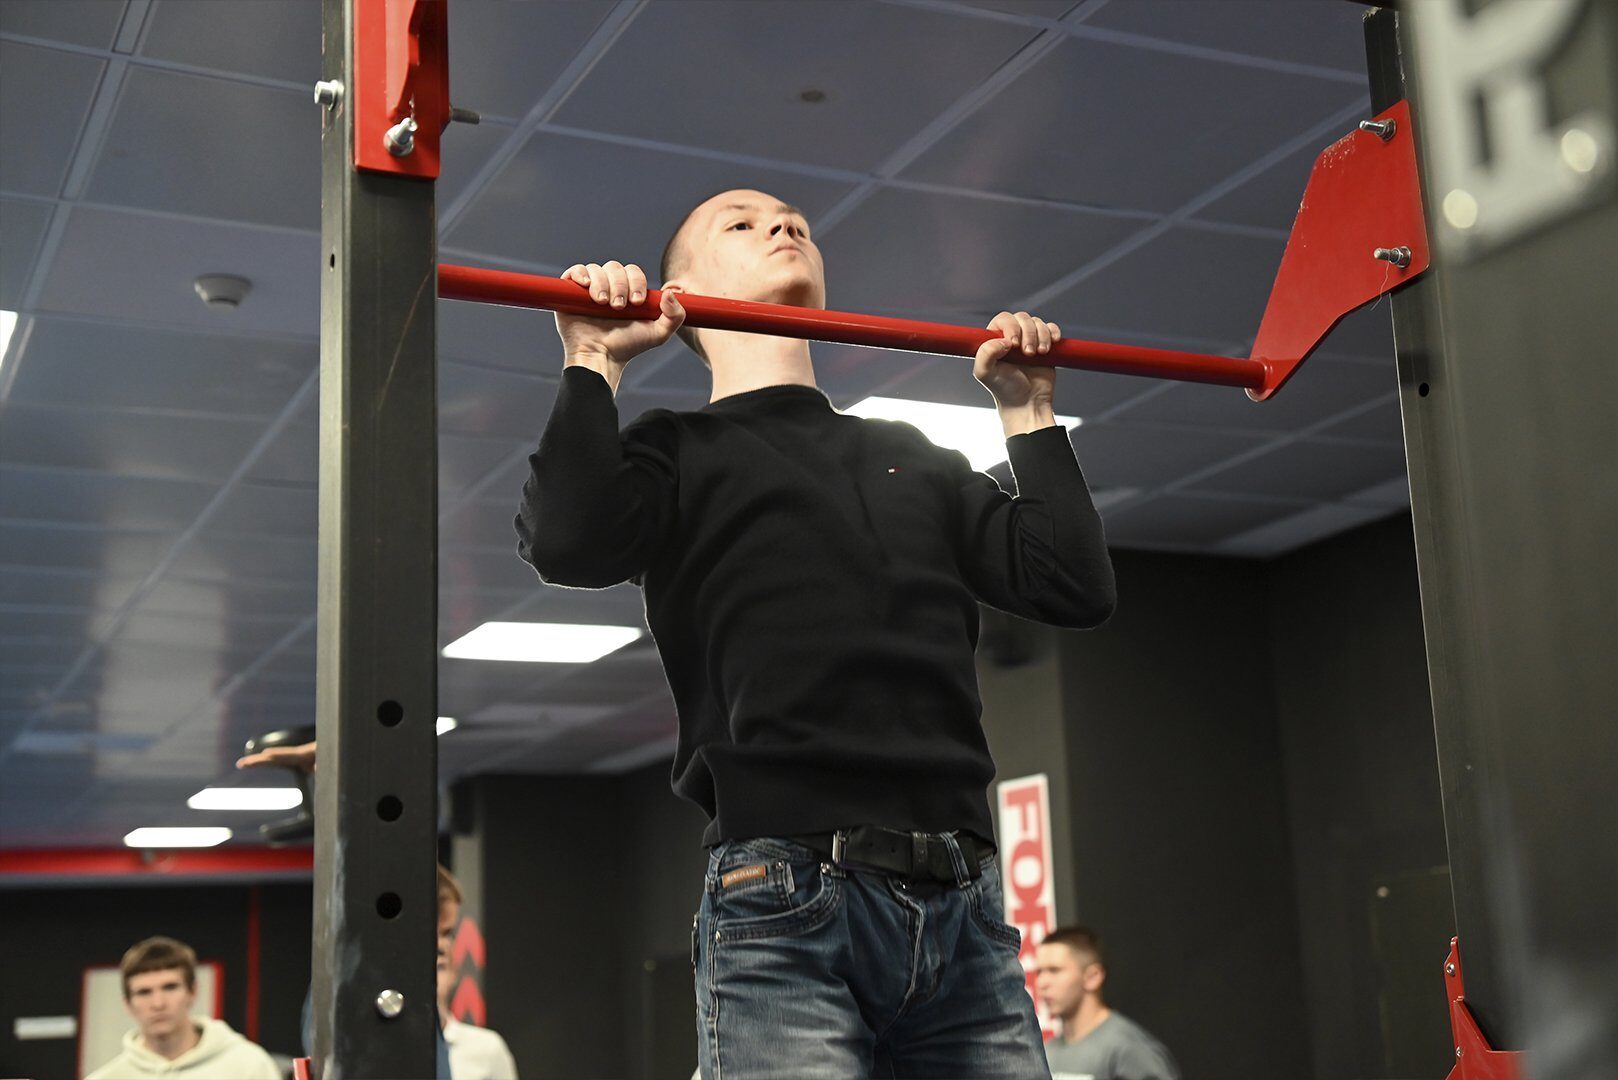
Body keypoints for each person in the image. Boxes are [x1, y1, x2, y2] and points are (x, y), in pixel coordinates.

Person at [516, 188, 1116, 1077]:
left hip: (962, 900)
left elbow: (1071, 584)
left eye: (793, 220)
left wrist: (1028, 412)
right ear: (680, 295)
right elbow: (568, 542)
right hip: (786, 894)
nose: (782, 226)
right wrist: (593, 359)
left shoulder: (916, 454)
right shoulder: (676, 450)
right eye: (741, 223)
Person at [86, 936, 280, 1079]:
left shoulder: (249, 1066)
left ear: (193, 991)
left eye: (170, 987)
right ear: (127, 1004)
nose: (158, 1003)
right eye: (144, 992)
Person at [1035, 927, 1180, 1080]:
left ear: (1093, 977)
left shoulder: (1130, 1050)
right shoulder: (1045, 1053)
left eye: (1054, 970)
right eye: (1039, 972)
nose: (1042, 983)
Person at [437, 936, 519, 1079]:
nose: (431, 978)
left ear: (454, 974)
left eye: (440, 967)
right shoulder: (397, 1046)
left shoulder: (487, 1048)